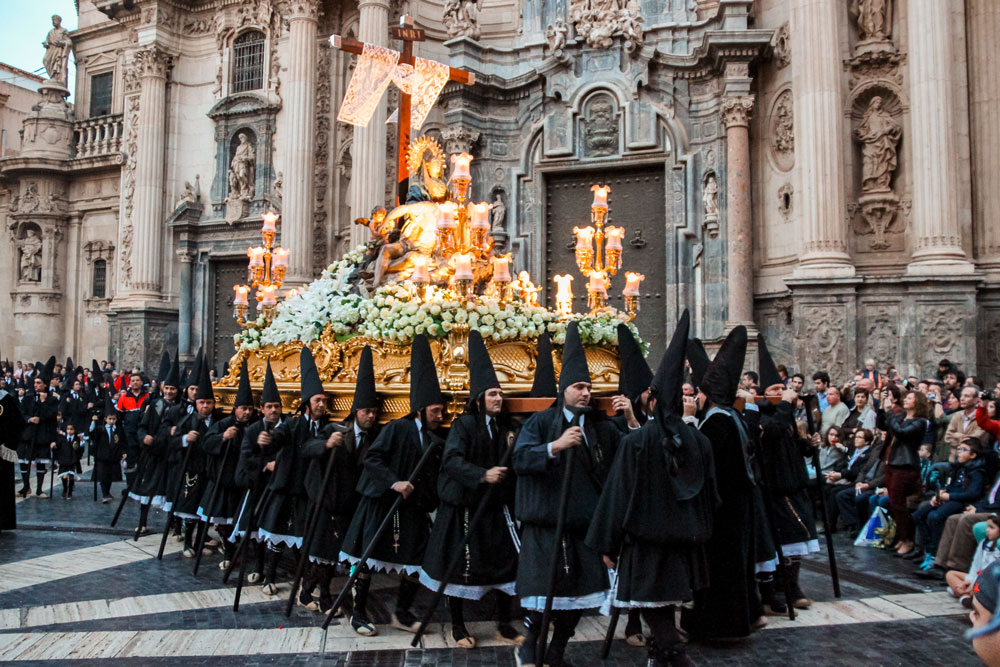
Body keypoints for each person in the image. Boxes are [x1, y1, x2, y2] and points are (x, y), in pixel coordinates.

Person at [588, 310, 715, 667]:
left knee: (657, 617)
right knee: (664, 610)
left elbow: (618, 495)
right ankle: (660, 660)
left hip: (646, 545)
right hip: (687, 543)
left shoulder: (638, 442)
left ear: (654, 401)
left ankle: (675, 659)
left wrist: (607, 543)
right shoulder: (698, 440)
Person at [512, 322, 622, 667]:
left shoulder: (601, 428)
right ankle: (531, 646)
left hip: (585, 527)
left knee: (579, 596)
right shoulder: (541, 423)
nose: (586, 393)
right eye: (579, 387)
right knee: (546, 595)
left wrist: (631, 420)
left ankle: (558, 649)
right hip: (548, 523)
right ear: (565, 390)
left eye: (589, 387)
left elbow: (623, 462)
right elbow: (520, 458)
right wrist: (555, 446)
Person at [420, 331, 523, 649]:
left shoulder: (510, 429)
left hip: (497, 509)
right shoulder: (464, 426)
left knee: (505, 566)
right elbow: (452, 461)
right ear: (479, 400)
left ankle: (504, 624)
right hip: (465, 508)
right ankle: (458, 626)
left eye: (500, 394)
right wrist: (483, 474)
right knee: (460, 568)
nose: (498, 399)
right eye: (492, 394)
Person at [340, 334, 446, 634]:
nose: (440, 415)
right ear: (419, 410)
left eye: (441, 410)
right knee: (365, 560)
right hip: (380, 504)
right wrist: (394, 483)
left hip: (412, 509)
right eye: (435, 411)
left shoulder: (435, 438)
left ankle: (403, 611)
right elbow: (372, 459)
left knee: (415, 560)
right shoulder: (397, 428)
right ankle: (358, 613)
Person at [682, 325, 767, 639]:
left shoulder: (717, 422)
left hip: (722, 508)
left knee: (721, 569)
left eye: (701, 393)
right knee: (736, 566)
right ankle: (741, 619)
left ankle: (718, 627)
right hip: (737, 505)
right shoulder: (734, 418)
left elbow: (700, 459)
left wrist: (689, 424)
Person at [296, 346, 381, 626]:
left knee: (337, 553)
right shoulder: (334, 430)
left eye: (374, 412)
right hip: (326, 500)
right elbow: (306, 448)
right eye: (366, 412)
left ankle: (321, 593)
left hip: (350, 504)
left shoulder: (373, 438)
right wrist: (325, 445)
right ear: (356, 411)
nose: (370, 416)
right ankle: (312, 592)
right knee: (323, 554)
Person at [755, 335, 820, 613]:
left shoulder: (787, 416)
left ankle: (791, 586)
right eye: (777, 389)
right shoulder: (760, 415)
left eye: (784, 388)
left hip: (795, 483)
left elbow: (790, 446)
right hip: (774, 487)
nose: (783, 392)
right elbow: (772, 432)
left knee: (799, 538)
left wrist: (808, 445)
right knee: (783, 539)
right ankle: (773, 591)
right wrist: (784, 405)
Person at [257, 347, 329, 595]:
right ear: (307, 403)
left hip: (312, 492)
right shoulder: (293, 425)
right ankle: (269, 577)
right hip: (290, 487)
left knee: (306, 540)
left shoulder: (328, 428)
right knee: (278, 537)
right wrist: (268, 440)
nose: (322, 404)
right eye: (317, 400)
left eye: (324, 400)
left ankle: (306, 581)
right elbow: (278, 438)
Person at [198, 359, 256, 568]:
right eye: (242, 408)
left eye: (249, 408)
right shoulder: (223, 424)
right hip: (223, 481)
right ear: (235, 409)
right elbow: (207, 443)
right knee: (223, 523)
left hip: (242, 483)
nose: (246, 412)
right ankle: (228, 554)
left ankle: (242, 552)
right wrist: (223, 437)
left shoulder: (256, 427)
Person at [233, 358, 284, 586]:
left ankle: (271, 574)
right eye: (269, 406)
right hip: (260, 483)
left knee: (276, 527)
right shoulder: (254, 429)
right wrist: (265, 464)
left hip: (281, 485)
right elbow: (246, 456)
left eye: (277, 406)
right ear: (262, 409)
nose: (273, 410)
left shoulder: (288, 426)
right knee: (255, 527)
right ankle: (258, 565)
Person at [165, 361, 223, 558]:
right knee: (190, 508)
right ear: (196, 404)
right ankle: (188, 543)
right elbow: (172, 441)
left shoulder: (219, 421)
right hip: (192, 469)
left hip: (211, 470)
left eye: (209, 403)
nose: (205, 406)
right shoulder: (188, 420)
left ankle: (200, 543)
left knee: (204, 510)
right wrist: (184, 439)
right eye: (201, 403)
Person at [913, 437, 987, 571]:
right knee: (919, 515)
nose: (959, 452)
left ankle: (935, 554)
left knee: (935, 517)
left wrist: (949, 496)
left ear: (973, 454)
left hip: (961, 501)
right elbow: (951, 485)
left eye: (964, 450)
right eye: (959, 449)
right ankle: (928, 550)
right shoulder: (959, 467)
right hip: (950, 497)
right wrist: (941, 494)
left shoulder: (977, 471)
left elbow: (973, 493)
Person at [131, 353, 180, 536]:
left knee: (170, 491)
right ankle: (142, 522)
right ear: (162, 388)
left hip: (170, 455)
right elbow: (142, 427)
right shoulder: (154, 405)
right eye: (166, 388)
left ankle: (173, 525)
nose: (169, 392)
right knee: (148, 489)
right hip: (153, 454)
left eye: (172, 389)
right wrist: (144, 437)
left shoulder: (181, 408)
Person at [881, 389, 932, 556]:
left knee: (899, 504)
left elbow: (902, 433)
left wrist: (889, 413)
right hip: (892, 461)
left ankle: (908, 539)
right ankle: (902, 537)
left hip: (905, 464)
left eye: (910, 398)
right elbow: (884, 425)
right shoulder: (900, 417)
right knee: (894, 503)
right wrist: (883, 408)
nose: (906, 400)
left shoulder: (920, 422)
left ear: (917, 403)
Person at [833, 429, 885, 534]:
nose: (882, 436)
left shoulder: (883, 454)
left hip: (874, 486)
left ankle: (860, 526)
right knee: (841, 495)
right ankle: (853, 523)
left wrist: (868, 484)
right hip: (863, 482)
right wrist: (859, 482)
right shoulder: (875, 452)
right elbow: (864, 470)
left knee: (860, 498)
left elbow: (883, 477)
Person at [19, 362, 59, 498]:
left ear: (45, 385)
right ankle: (26, 486)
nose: (35, 385)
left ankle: (39, 489)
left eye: (39, 383)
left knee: (41, 463)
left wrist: (42, 403)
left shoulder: (52, 400)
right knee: (24, 462)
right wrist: (29, 419)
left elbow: (52, 417)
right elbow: (21, 413)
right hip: (28, 434)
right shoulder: (28, 398)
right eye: (35, 382)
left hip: (43, 434)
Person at [947, 514, 1000, 609]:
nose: (987, 530)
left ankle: (964, 595)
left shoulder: (998, 549)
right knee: (950, 574)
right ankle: (966, 593)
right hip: (978, 578)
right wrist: (969, 581)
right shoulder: (985, 543)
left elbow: (990, 573)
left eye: (992, 528)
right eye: (987, 527)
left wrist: (975, 582)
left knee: (979, 588)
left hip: (991, 582)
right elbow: (976, 566)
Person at [0, 379, 25, 531]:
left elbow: (18, 423)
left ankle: (3, 521)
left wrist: (8, 443)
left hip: (2, 450)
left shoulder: (6, 399)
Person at [91, 397, 124, 503]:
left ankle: (108, 491)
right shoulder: (101, 429)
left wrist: (123, 452)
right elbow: (92, 435)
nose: (111, 421)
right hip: (102, 455)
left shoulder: (118, 430)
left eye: (113, 419)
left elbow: (123, 441)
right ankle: (104, 493)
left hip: (113, 455)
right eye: (110, 419)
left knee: (110, 475)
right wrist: (93, 422)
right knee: (103, 475)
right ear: (105, 419)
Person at [946, 386, 987, 463]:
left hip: (973, 462)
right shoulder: (957, 415)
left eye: (966, 396)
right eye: (962, 395)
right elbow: (947, 437)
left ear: (976, 400)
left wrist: (957, 435)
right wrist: (963, 438)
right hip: (954, 460)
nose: (962, 398)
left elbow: (974, 441)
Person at [53, 422, 83, 499]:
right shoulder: (62, 439)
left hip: (72, 460)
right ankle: (65, 489)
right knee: (64, 476)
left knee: (71, 476)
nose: (69, 431)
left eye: (71, 429)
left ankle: (70, 490)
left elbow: (79, 450)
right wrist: (54, 446)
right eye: (68, 429)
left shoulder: (76, 439)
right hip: (64, 460)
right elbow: (57, 447)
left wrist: (81, 442)